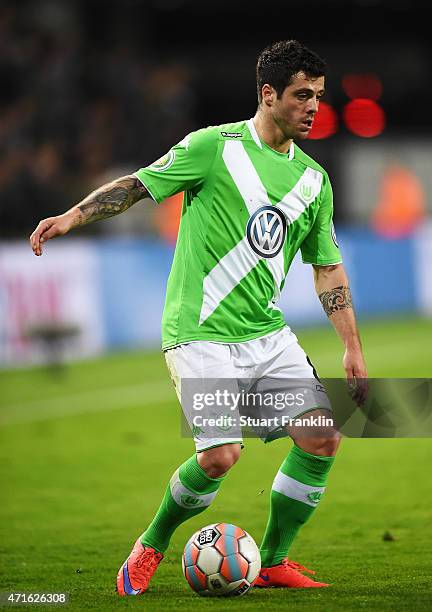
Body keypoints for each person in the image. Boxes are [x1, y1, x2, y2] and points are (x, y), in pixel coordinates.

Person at [30, 39, 368, 593]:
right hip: (199, 333)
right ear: (268, 93)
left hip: (265, 331)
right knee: (219, 456)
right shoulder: (213, 147)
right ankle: (152, 545)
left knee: (322, 436)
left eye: (318, 96)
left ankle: (275, 559)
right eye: (302, 95)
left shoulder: (314, 180)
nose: (313, 106)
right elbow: (137, 185)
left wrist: (352, 348)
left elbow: (328, 270)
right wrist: (74, 215)